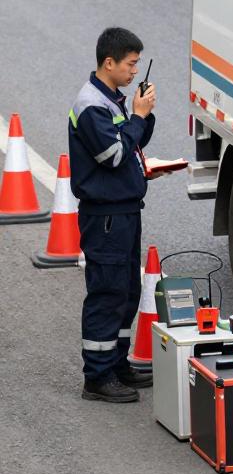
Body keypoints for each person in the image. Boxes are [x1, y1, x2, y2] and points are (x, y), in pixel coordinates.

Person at [68, 27, 156, 403]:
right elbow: (115, 155)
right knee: (107, 293)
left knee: (126, 291)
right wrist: (136, 116)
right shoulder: (91, 105)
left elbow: (133, 141)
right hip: (105, 216)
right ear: (109, 62)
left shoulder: (112, 99)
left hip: (123, 211)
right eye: (131, 64)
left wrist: (143, 116)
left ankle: (117, 364)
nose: (135, 71)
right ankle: (97, 377)